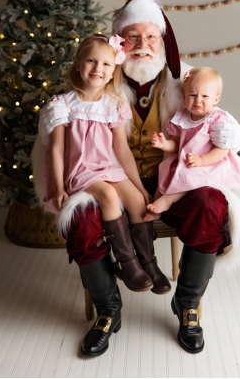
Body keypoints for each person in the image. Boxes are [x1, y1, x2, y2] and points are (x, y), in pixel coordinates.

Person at [34, 0, 240, 358]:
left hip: (176, 184)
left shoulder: (183, 83)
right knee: (82, 217)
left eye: (151, 37)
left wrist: (230, 137)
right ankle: (108, 311)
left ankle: (187, 305)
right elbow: (59, 142)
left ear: (162, 41)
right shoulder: (98, 88)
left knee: (212, 204)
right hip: (103, 180)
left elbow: (216, 117)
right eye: (133, 37)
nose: (143, 45)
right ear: (120, 43)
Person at [44, 34, 167, 295]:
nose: (97, 69)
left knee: (136, 201)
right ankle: (127, 262)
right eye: (91, 61)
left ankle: (148, 262)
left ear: (114, 71)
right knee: (109, 195)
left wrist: (138, 187)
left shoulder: (114, 105)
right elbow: (56, 149)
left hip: (106, 168)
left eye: (105, 65)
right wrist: (58, 187)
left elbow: (121, 151)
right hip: (79, 171)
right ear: (78, 64)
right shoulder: (64, 104)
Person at [146, 67, 240, 219]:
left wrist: (201, 160)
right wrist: (164, 144)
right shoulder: (181, 117)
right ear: (184, 96)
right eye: (192, 95)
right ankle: (157, 209)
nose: (198, 100)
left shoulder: (217, 119)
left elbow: (222, 150)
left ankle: (168, 200)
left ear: (216, 99)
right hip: (186, 160)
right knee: (165, 174)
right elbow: (176, 144)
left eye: (205, 96)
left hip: (210, 163)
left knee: (188, 173)